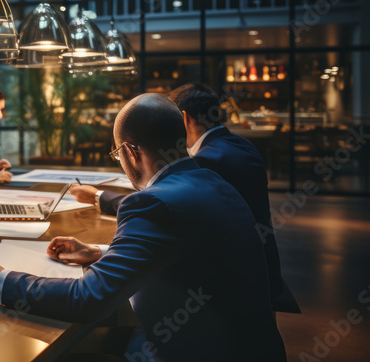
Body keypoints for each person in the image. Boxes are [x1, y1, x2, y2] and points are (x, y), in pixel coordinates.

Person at [0, 93, 290, 362]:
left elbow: (87, 300)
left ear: (131, 151)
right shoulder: (214, 181)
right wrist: (98, 252)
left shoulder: (150, 203)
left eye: (116, 155)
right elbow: (184, 253)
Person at [71, 82, 296, 312]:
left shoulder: (207, 164)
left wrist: (99, 196)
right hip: (254, 276)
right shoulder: (239, 146)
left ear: (184, 119)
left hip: (224, 302)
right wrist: (103, 251)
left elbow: (161, 207)